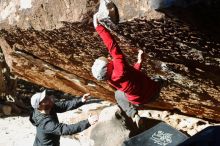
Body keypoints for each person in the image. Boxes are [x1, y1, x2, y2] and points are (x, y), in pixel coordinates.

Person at [91, 13, 167, 128]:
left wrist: (139, 62)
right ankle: (164, 82)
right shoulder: (120, 68)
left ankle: (133, 114)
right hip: (153, 91)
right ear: (108, 67)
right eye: (107, 61)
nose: (107, 58)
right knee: (159, 79)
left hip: (140, 101)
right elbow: (112, 46)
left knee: (118, 94)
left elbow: (132, 78)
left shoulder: (110, 79)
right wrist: (98, 27)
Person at [29, 90, 98, 146]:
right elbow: (64, 129)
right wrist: (87, 122)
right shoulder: (45, 123)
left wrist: (81, 100)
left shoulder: (47, 108)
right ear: (40, 105)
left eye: (47, 96)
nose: (49, 98)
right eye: (46, 99)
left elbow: (63, 106)